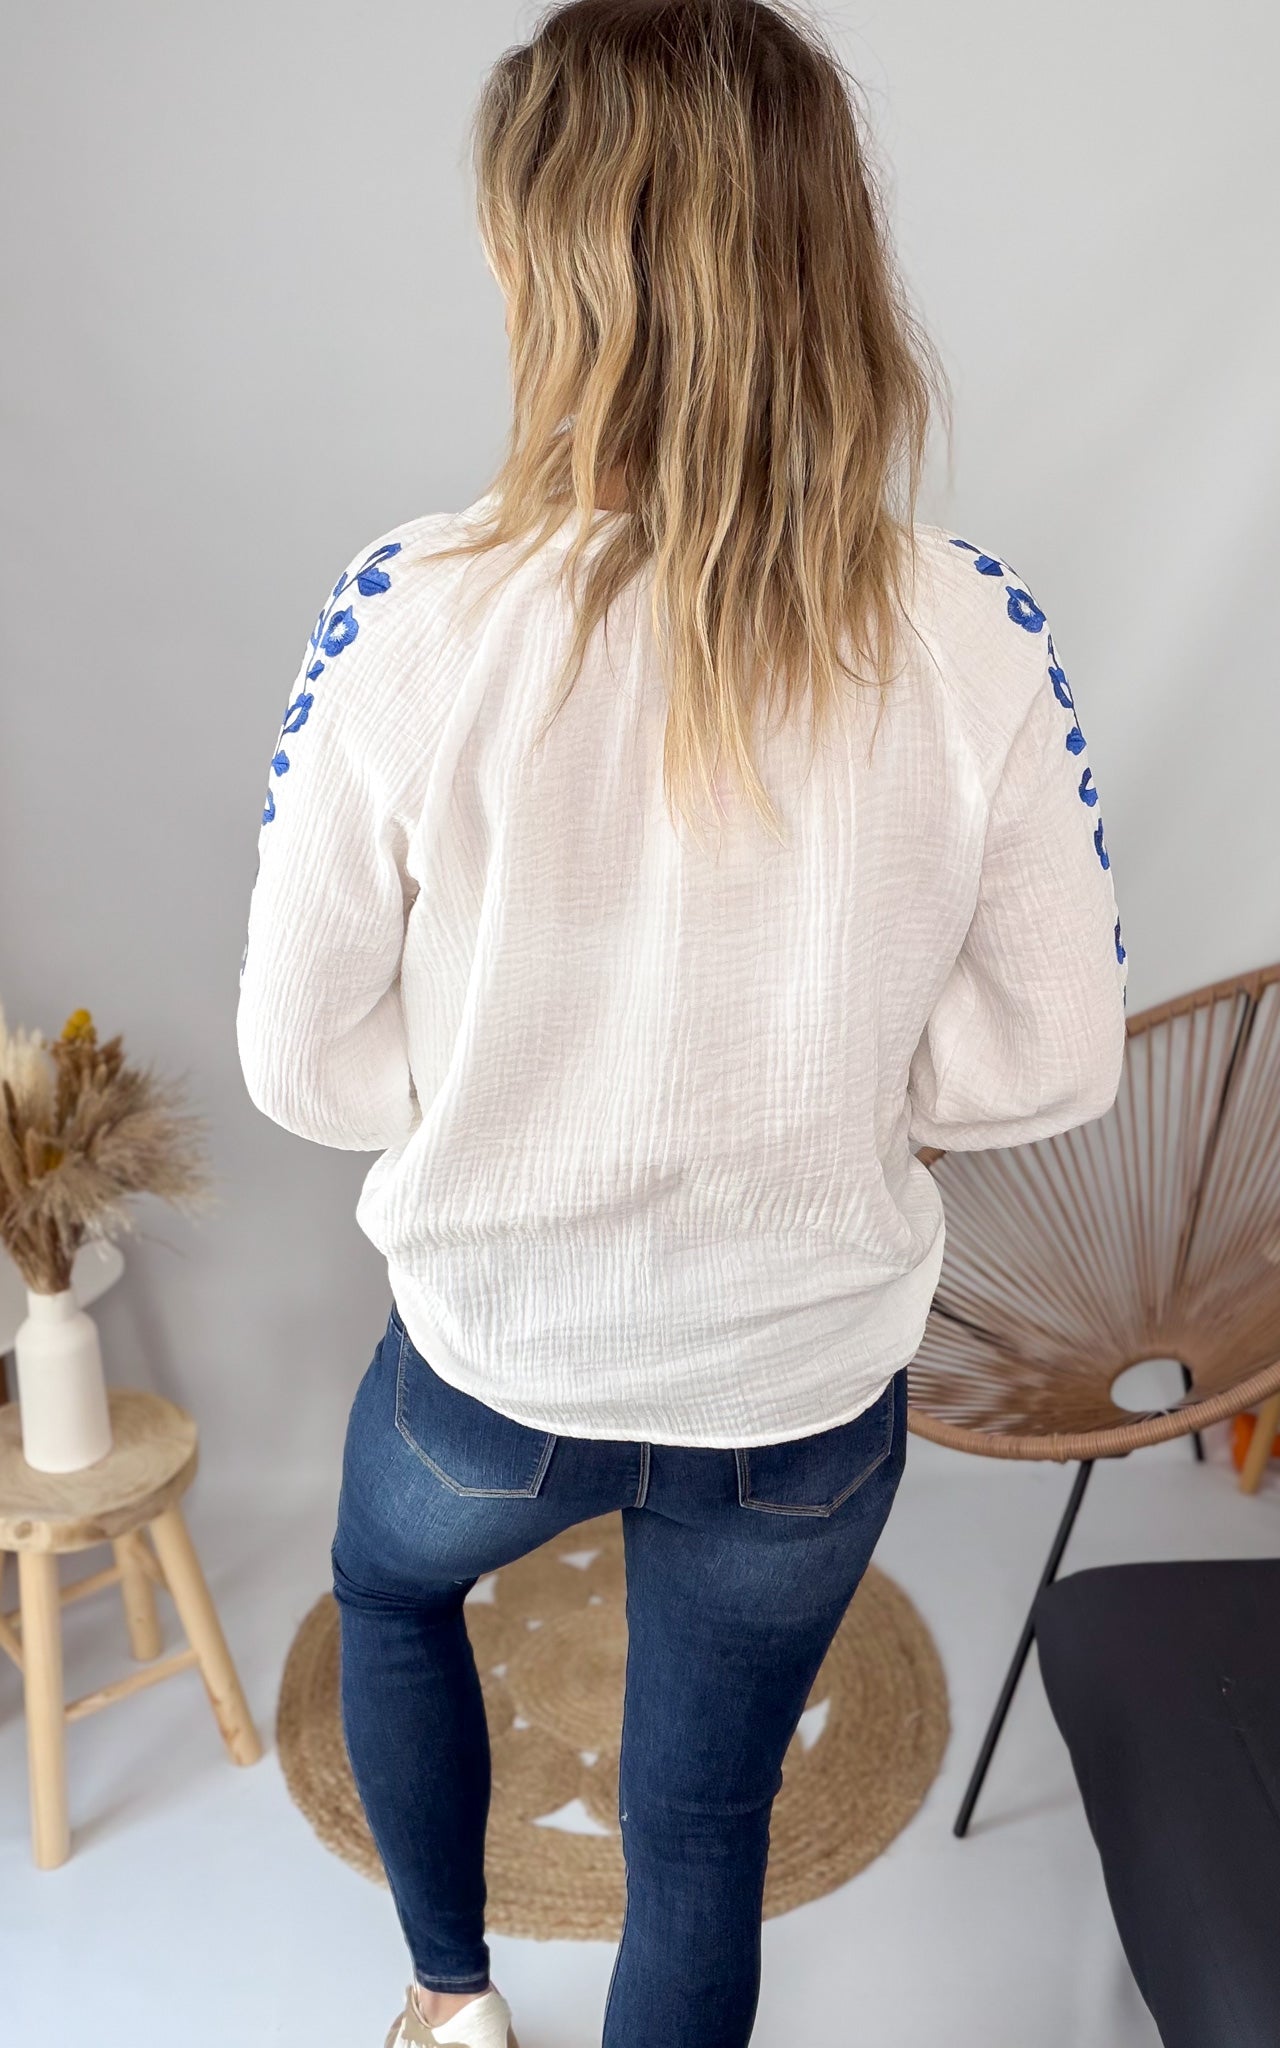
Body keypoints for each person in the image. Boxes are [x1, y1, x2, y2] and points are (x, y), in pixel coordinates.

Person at [235, 3, 1128, 2044]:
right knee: (705, 1824)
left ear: (538, 267)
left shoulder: (409, 614)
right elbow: (1054, 1054)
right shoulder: (973, 632)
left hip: (495, 1357)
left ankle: (451, 2007)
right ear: (831, 258)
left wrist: (506, 1090)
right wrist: (832, 1086)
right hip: (799, 1385)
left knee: (386, 1591)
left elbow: (303, 1059)